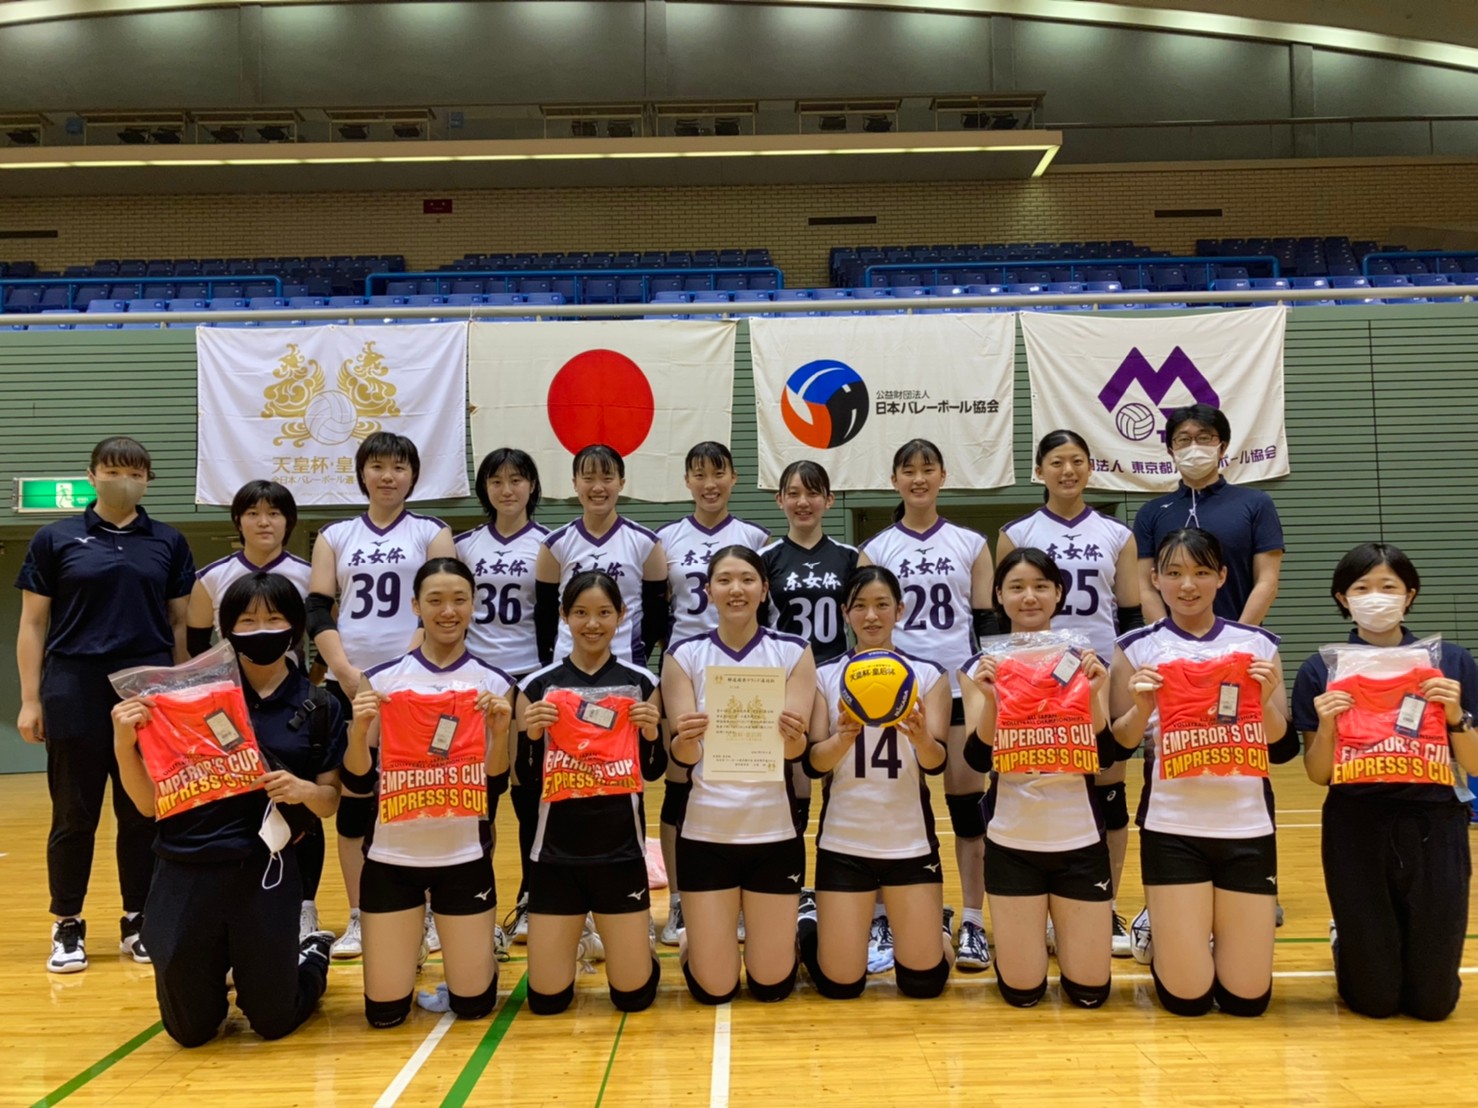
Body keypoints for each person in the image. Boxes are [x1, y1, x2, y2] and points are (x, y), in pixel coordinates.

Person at [111, 572, 343, 1046]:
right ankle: (221, 965)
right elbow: (148, 805)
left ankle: (310, 955)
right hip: (183, 867)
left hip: (264, 871)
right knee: (190, 1031)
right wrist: (122, 743)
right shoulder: (182, 701)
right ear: (226, 630)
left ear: (296, 627)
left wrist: (302, 789)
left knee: (273, 1020)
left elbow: (329, 803)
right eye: (247, 621)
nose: (261, 630)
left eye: (274, 618)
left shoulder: (318, 705)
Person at [15, 435, 196, 974]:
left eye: (136, 473)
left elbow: (179, 625)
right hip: (75, 687)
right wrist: (30, 699)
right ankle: (67, 922)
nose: (125, 481)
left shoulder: (168, 541)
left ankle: (138, 919)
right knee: (74, 814)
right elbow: (32, 623)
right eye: (114, 471)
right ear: (91, 476)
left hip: (146, 691)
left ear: (148, 481)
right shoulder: (55, 538)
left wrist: (180, 692)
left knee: (141, 812)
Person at [1109, 528, 1297, 1017]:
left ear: (1222, 576)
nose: (1187, 585)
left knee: (1246, 1000)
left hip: (1246, 829)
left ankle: (1193, 933)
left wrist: (1264, 700)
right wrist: (1141, 707)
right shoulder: (1135, 648)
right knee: (1187, 999)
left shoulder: (1257, 645)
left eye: (1200, 572)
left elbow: (1282, 747)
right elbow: (1115, 744)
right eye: (1174, 573)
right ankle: (1165, 931)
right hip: (1173, 830)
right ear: (1155, 579)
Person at [1293, 542, 1478, 1021]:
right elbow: (1319, 774)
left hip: (1436, 821)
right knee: (1373, 1001)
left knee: (1433, 1004)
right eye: (1362, 588)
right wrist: (1327, 725)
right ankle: (1347, 939)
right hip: (1355, 822)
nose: (1376, 597)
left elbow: (1476, 765)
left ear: (1409, 594)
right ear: (1342, 598)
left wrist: (1455, 715)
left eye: (1388, 587)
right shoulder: (1321, 670)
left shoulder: (1451, 663)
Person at [306, 431, 456, 959]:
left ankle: (429, 912)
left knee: (419, 799)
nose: (388, 476)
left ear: (413, 475)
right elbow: (318, 609)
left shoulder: (432, 532)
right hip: (350, 687)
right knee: (355, 804)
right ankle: (359, 914)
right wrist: (347, 673)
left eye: (398, 467)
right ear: (362, 473)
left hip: (416, 686)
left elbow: (444, 606)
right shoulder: (335, 535)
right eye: (377, 466)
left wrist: (401, 673)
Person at [347, 558, 513, 1029]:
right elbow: (356, 781)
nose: (448, 611)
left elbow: (496, 784)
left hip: (463, 855)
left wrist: (500, 733)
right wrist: (359, 730)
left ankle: (476, 952)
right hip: (391, 857)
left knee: (473, 1007)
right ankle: (407, 944)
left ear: (473, 605)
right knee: (385, 1014)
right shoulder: (381, 679)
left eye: (459, 600)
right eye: (435, 600)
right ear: (416, 606)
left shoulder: (495, 684)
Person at [998, 430, 1140, 957]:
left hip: (1097, 669)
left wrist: (1123, 673)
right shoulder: (1017, 532)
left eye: (1077, 461)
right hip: (1033, 674)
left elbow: (1130, 613)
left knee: (1108, 786)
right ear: (1040, 470)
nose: (1068, 470)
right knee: (1039, 779)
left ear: (1089, 468)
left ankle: (1105, 903)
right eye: (1056, 461)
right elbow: (1000, 610)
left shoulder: (1117, 534)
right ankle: (1037, 905)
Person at [960, 548, 1121, 1010]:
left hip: (1079, 839)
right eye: (1016, 587)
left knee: (1090, 993)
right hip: (1013, 842)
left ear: (1058, 593)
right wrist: (993, 700)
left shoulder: (1085, 662)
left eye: (1040, 587)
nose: (1029, 597)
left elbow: (1106, 755)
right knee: (1022, 992)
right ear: (998, 596)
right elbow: (977, 758)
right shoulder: (981, 667)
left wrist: (1092, 695)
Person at [858, 439, 993, 971]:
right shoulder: (876, 548)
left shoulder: (971, 543)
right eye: (908, 470)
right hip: (895, 691)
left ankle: (973, 920)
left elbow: (986, 624)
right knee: (895, 807)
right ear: (894, 480)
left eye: (928, 469)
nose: (918, 478)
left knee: (967, 808)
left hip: (957, 689)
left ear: (942, 476)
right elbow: (866, 623)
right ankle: (888, 915)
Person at [662, 546, 816, 1004]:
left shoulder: (792, 651)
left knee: (772, 986)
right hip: (706, 834)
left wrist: (793, 736)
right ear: (708, 591)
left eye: (747, 579)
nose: (736, 589)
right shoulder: (683, 655)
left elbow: (797, 752)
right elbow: (681, 756)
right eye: (725, 580)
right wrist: (685, 739)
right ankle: (696, 941)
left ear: (764, 589)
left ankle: (799, 927)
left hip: (773, 833)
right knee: (715, 990)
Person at [516, 572, 666, 1014]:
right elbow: (525, 779)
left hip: (621, 853)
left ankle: (636, 951)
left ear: (621, 615)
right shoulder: (538, 686)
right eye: (580, 612)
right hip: (556, 856)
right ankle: (581, 943)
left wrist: (652, 734)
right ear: (564, 616)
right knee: (546, 1000)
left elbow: (653, 770)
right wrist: (530, 736)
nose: (593, 623)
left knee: (633, 997)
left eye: (604, 612)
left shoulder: (641, 682)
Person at [802, 565, 954, 1000]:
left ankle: (937, 927)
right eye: (860, 606)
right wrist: (841, 738)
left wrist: (922, 738)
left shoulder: (928, 674)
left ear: (899, 609)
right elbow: (813, 763)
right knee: (839, 985)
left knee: (924, 984)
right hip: (845, 842)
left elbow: (936, 763)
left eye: (882, 605)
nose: (871, 616)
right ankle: (807, 922)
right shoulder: (825, 675)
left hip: (910, 842)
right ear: (846, 613)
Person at [188, 479, 322, 940]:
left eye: (274, 513)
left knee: (301, 803)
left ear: (289, 522)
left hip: (293, 704)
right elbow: (194, 645)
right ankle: (234, 904)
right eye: (253, 513)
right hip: (231, 708)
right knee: (236, 806)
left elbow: (325, 632)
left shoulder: (309, 574)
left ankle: (305, 906)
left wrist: (313, 683)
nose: (264, 522)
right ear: (238, 521)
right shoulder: (212, 577)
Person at [654, 442, 768, 946]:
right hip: (687, 670)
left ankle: (744, 897)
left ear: (733, 478)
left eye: (718, 473)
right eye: (698, 474)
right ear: (687, 481)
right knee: (680, 781)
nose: (709, 484)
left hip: (744, 671)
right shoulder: (666, 539)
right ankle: (681, 899)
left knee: (742, 778)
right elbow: (657, 612)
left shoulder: (756, 537)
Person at [455, 447, 549, 949]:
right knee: (480, 795)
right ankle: (475, 901)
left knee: (531, 793)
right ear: (484, 489)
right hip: (478, 680)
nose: (507, 489)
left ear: (532, 485)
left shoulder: (550, 544)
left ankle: (534, 898)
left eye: (516, 479)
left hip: (531, 676)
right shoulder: (465, 545)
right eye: (496, 481)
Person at [1131, 404, 1284, 627]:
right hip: (1171, 643)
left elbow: (1267, 581)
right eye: (1183, 439)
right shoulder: (1150, 513)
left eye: (1204, 438)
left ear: (1222, 447)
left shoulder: (1256, 504)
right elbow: (1145, 587)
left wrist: (1239, 636)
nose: (1194, 447)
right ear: (1171, 451)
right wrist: (1168, 638)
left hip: (1242, 637)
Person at [534, 444, 667, 669]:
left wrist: (639, 647)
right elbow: (545, 613)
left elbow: (656, 611)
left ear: (621, 483)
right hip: (567, 662)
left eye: (607, 478)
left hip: (627, 661)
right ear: (575, 483)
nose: (598, 487)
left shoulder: (646, 543)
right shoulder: (554, 544)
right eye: (588, 478)